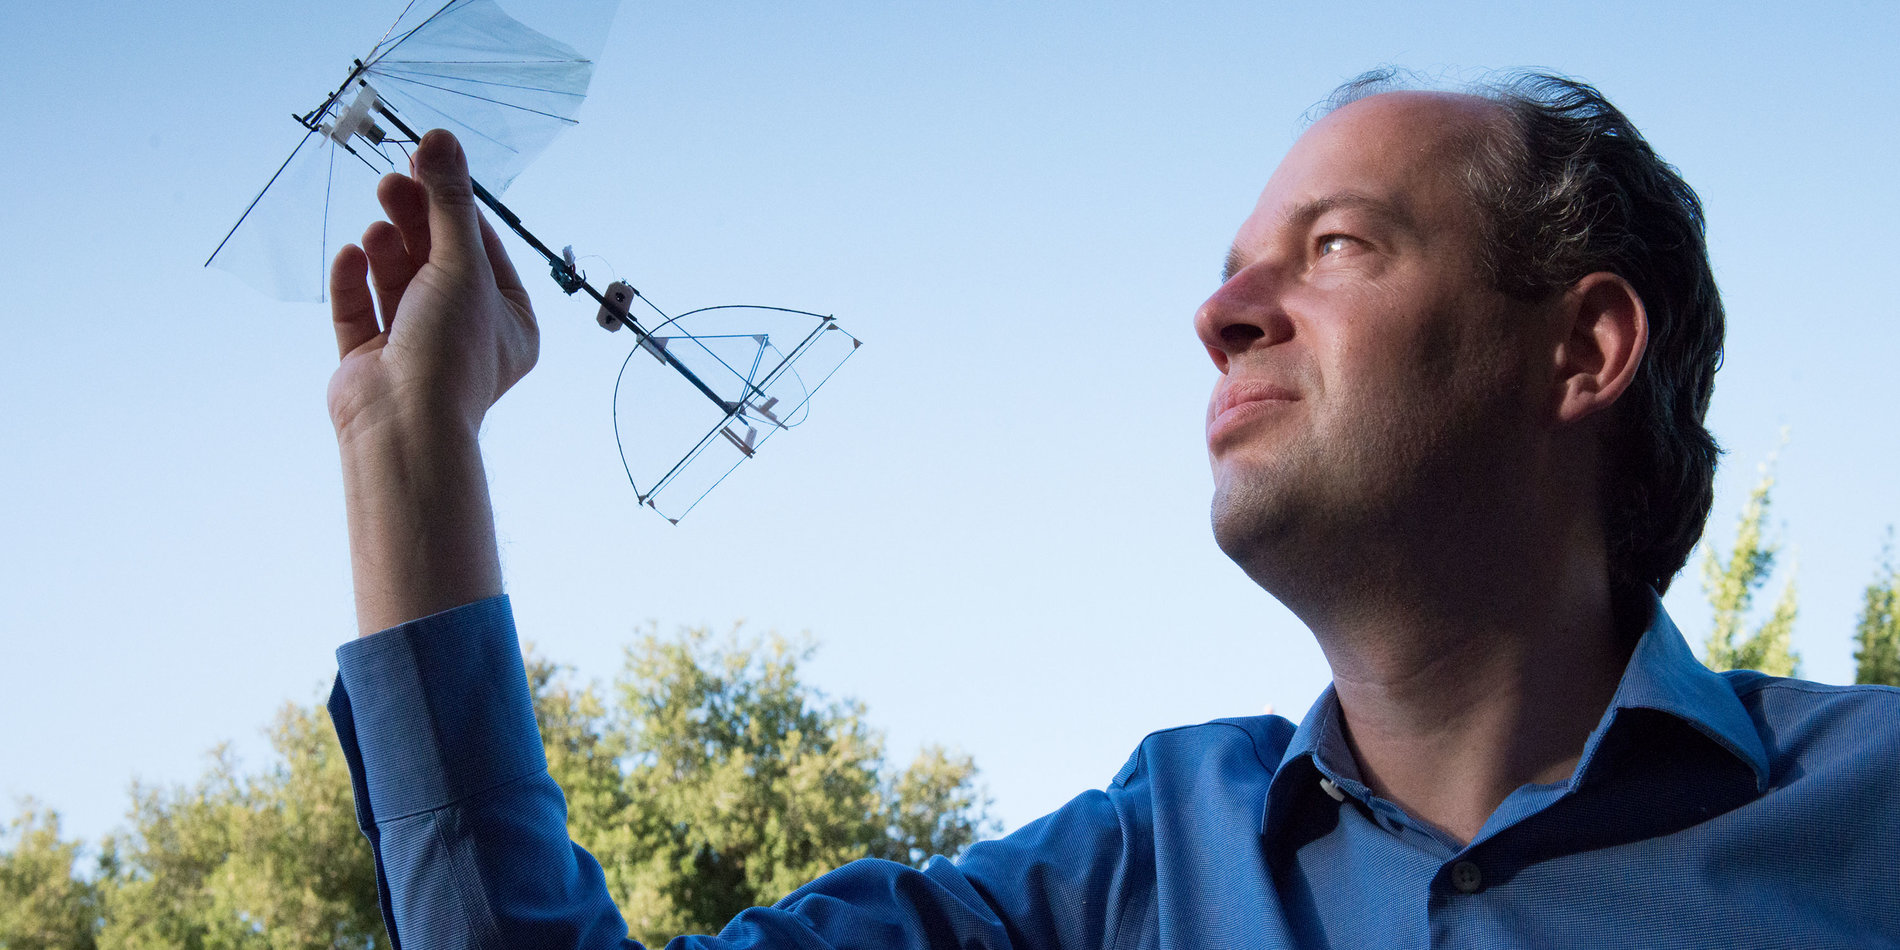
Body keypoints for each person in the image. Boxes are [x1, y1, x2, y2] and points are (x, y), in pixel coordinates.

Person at [322, 72, 1900, 949]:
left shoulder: (1870, 811)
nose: (1223, 311)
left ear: (1582, 347)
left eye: (1338, 244)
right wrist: (414, 453)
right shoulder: (1122, 886)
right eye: (1235, 263)